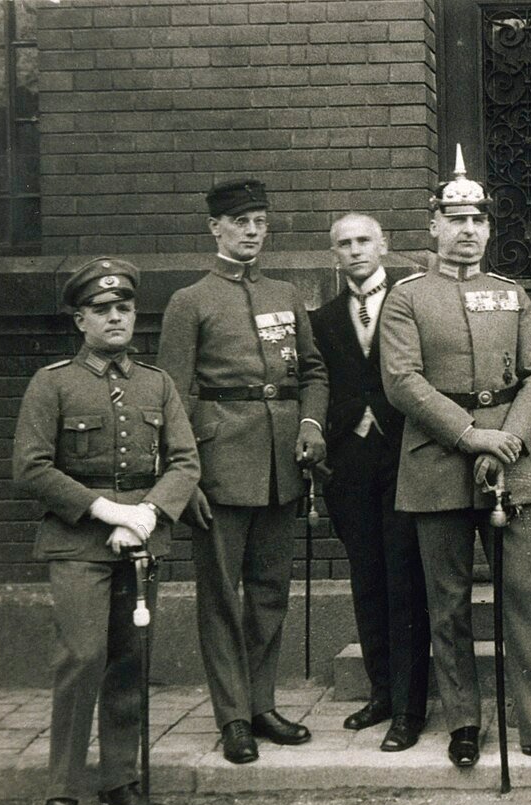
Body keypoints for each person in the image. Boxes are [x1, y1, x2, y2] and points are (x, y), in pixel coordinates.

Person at [379, 146, 531, 770]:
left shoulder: (512, 293)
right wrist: (471, 435)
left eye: (477, 219)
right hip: (437, 462)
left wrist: (511, 441)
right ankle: (464, 722)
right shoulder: (407, 297)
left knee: (522, 597)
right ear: (434, 226)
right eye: (455, 218)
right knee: (447, 603)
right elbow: (403, 381)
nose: (467, 230)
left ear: (489, 228)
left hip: (513, 461)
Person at [13, 258, 200, 805]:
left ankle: (121, 779)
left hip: (141, 539)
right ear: (80, 320)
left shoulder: (157, 383)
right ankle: (61, 792)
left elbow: (186, 461)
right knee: (82, 656)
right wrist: (107, 511)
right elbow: (30, 467)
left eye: (123, 309)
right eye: (102, 310)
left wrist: (144, 514)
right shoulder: (53, 383)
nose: (116, 319)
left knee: (130, 660)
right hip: (76, 544)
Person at [157, 179, 329, 765]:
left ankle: (262, 703)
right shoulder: (192, 300)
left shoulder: (284, 293)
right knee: (221, 599)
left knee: (269, 594)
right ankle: (232, 716)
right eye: (240, 221)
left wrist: (312, 426)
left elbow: (313, 373)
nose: (253, 230)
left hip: (283, 464)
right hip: (218, 467)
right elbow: (170, 396)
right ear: (215, 229)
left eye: (259, 220)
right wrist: (187, 479)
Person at [310, 213, 431, 752]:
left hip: (406, 455)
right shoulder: (325, 317)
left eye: (364, 240)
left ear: (384, 246)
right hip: (350, 464)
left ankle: (410, 708)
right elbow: (319, 383)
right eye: (344, 244)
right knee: (367, 577)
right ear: (334, 254)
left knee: (406, 581)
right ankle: (382, 692)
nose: (355, 250)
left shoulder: (412, 303)